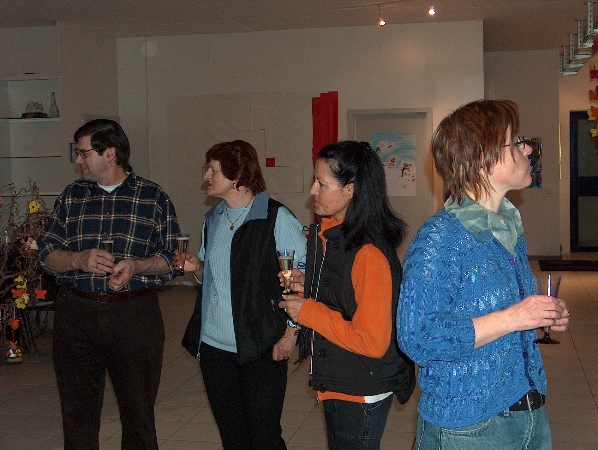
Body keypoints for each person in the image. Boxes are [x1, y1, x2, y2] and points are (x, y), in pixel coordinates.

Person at [397, 99, 570, 449]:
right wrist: (513, 317)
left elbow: (498, 316)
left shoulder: (507, 229)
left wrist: (538, 315)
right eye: (515, 142)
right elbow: (417, 337)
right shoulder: (441, 238)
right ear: (482, 160)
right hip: (469, 427)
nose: (527, 149)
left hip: (527, 411)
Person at [38, 119, 181, 450]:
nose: (78, 160)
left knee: (139, 417)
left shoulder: (152, 197)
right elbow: (45, 253)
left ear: (110, 153)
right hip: (76, 315)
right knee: (78, 417)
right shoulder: (72, 196)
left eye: (83, 152)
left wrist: (136, 266)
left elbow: (171, 259)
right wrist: (78, 259)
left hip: (134, 316)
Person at [279, 141, 415, 450]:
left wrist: (307, 311)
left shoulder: (368, 253)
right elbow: (346, 297)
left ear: (350, 190)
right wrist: (308, 286)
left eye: (322, 183)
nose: (312, 190)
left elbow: (371, 341)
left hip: (360, 388)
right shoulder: (336, 233)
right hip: (343, 378)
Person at [176, 140, 306, 450]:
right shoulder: (214, 219)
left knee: (264, 437)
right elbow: (213, 277)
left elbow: (302, 282)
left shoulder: (276, 218)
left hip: (261, 347)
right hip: (214, 348)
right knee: (233, 438)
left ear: (237, 176)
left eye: (213, 170)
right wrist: (197, 267)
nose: (206, 176)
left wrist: (291, 335)